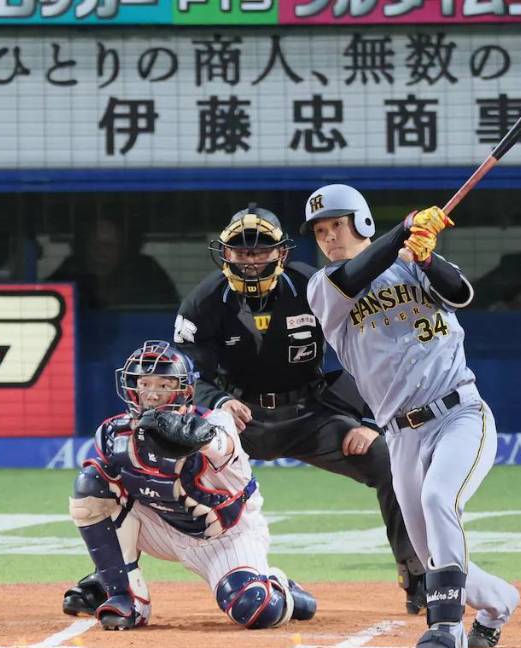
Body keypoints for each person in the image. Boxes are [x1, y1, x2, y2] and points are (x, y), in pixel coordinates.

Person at [302, 184, 520, 648]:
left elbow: (460, 293)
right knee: (429, 551)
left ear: (361, 222)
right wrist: (403, 230)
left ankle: (446, 630)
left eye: (336, 224)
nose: (329, 236)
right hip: (400, 435)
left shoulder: (410, 263)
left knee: (440, 500)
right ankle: (499, 601)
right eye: (319, 231)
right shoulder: (324, 287)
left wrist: (424, 257)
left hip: (459, 413)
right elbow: (356, 274)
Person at [171, 203, 427, 615]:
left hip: (311, 414)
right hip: (238, 422)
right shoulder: (203, 302)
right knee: (154, 466)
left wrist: (366, 420)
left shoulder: (314, 285)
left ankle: (418, 577)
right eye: (241, 251)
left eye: (260, 251)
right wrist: (219, 402)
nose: (250, 261)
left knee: (391, 463)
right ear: (225, 253)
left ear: (281, 253)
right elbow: (186, 376)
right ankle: (116, 580)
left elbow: (369, 350)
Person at [62, 339, 316, 631]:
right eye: (145, 384)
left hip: (225, 534)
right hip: (162, 526)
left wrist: (196, 437)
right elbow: (106, 494)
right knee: (91, 484)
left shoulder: (217, 421)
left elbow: (221, 444)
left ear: (184, 390)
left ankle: (281, 587)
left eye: (164, 385)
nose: (152, 394)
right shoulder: (115, 433)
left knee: (254, 607)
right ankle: (121, 592)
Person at [48, 218, 180, 309]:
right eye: (94, 245)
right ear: (83, 248)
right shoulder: (67, 274)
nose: (100, 252)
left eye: (108, 246)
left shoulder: (148, 275)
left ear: (123, 250)